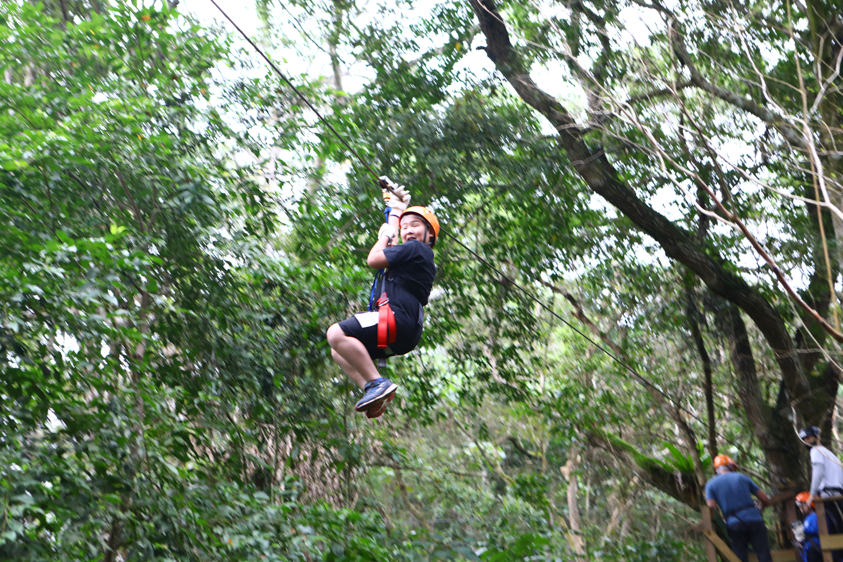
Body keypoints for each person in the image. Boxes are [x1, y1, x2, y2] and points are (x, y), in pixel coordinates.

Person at [326, 178, 438, 419]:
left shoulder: (418, 249)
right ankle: (374, 392)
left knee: (335, 334)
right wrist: (396, 211)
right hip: (404, 331)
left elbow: (374, 258)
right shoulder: (413, 256)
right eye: (405, 227)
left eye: (416, 225)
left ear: (430, 235)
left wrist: (385, 234)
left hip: (397, 319)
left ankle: (377, 383)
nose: (409, 230)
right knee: (339, 351)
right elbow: (393, 247)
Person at [705, 453, 773, 562]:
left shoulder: (711, 484)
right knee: (763, 554)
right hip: (755, 520)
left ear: (716, 469)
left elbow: (711, 506)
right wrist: (760, 509)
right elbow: (764, 498)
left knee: (740, 557)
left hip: (734, 523)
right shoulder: (742, 477)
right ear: (731, 467)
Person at [799, 425, 843, 561]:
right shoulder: (829, 454)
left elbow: (818, 473)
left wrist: (811, 497)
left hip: (829, 496)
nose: (807, 441)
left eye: (809, 437)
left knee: (832, 533)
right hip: (838, 495)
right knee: (839, 530)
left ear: (816, 437)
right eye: (804, 439)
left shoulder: (816, 451)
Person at [794, 491, 822, 562]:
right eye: (799, 507)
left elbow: (817, 529)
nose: (800, 508)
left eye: (801, 506)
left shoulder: (815, 516)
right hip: (808, 548)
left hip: (814, 549)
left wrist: (803, 530)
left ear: (809, 504)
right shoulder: (807, 518)